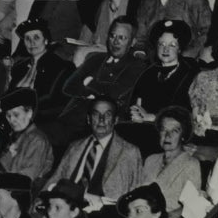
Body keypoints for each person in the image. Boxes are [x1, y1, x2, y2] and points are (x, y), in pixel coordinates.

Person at [46, 95, 142, 218]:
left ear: (115, 120)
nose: (101, 120)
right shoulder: (75, 147)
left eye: (107, 115)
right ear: (89, 119)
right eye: (96, 115)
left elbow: (135, 195)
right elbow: (55, 179)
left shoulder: (129, 152)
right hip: (64, 212)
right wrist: (40, 206)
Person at [49, 16, 147, 148]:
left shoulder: (137, 66)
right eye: (112, 36)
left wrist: (88, 83)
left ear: (133, 42)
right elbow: (68, 86)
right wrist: (94, 91)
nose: (115, 42)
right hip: (71, 117)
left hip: (101, 125)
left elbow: (114, 92)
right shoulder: (95, 59)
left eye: (122, 38)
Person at [124, 19, 199, 155]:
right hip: (142, 128)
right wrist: (135, 113)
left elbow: (185, 115)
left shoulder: (189, 73)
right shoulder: (149, 72)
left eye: (172, 45)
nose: (165, 49)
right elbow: (134, 103)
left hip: (170, 134)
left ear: (180, 48)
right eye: (162, 44)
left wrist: (151, 117)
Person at [139, 106, 202, 218]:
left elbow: (191, 207)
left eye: (175, 131)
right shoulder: (151, 160)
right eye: (164, 130)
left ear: (183, 135)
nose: (167, 136)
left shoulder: (191, 164)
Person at [7, 19, 74, 124]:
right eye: (27, 38)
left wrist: (24, 110)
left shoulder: (60, 66)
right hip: (14, 117)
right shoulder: (19, 67)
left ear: (46, 40)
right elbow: (9, 93)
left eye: (36, 37)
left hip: (43, 119)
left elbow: (52, 99)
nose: (31, 42)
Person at [0, 87, 54, 185]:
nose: (11, 120)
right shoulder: (16, 137)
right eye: (8, 115)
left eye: (16, 114)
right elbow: (1, 168)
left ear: (29, 113)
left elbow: (26, 178)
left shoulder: (37, 140)